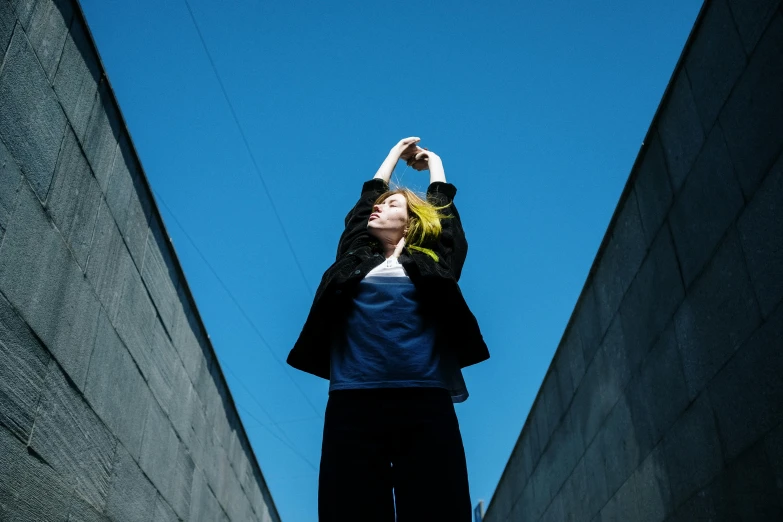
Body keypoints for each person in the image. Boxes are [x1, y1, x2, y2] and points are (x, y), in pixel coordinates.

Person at [287, 137, 490, 521]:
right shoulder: (355, 258)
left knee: (437, 509)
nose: (378, 208)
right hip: (353, 400)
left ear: (413, 222)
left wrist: (434, 162)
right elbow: (365, 203)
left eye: (391, 204)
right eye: (378, 206)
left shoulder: (433, 262)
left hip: (425, 400)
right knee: (350, 510)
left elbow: (444, 218)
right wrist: (394, 154)